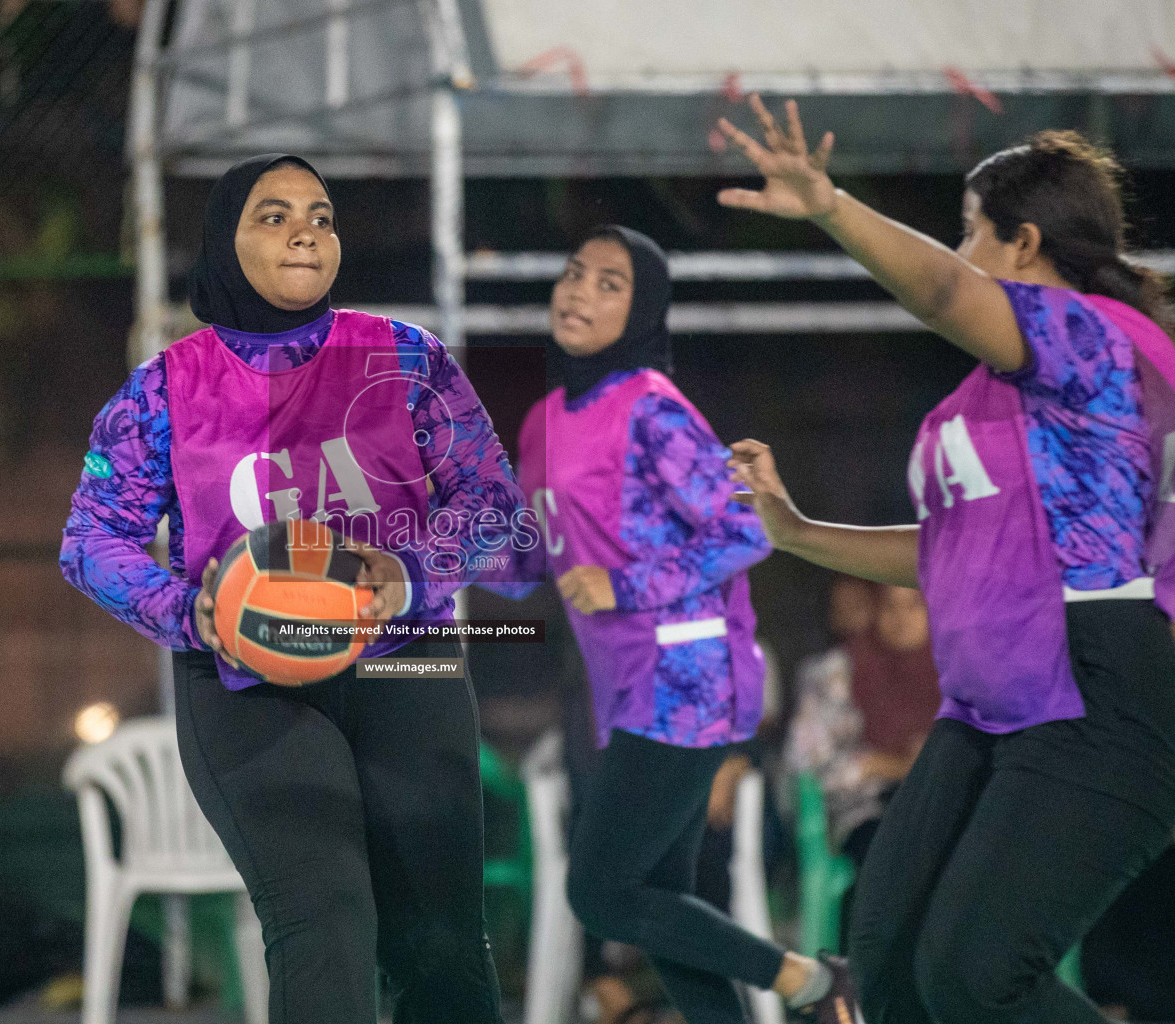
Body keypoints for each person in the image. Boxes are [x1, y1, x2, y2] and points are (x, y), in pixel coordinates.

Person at [720, 97, 1175, 1024]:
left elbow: (940, 294)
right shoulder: (999, 394)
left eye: (969, 233)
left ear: (1022, 242)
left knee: (975, 978)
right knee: (885, 975)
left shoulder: (1093, 338)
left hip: (1104, 685)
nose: (960, 255)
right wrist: (795, 531)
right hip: (995, 695)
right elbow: (949, 554)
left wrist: (828, 206)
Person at [60, 154, 525, 1024]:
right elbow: (91, 539)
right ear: (224, 244)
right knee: (325, 918)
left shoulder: (405, 359)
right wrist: (184, 609)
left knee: (442, 940)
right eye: (271, 216)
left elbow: (494, 505)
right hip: (246, 679)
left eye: (319, 213)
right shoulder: (165, 389)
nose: (305, 229)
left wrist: (410, 570)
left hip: (404, 664)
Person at [495, 225, 858, 1024]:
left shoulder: (653, 411)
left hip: (690, 677)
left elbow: (747, 530)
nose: (579, 292)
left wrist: (624, 583)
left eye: (610, 283)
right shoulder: (543, 421)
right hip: (625, 689)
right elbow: (527, 565)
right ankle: (803, 988)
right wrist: (407, 568)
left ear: (645, 308)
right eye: (573, 272)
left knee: (601, 890)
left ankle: (807, 980)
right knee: (661, 907)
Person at [787, 581, 941, 945]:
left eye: (914, 605)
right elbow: (806, 760)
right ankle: (869, 981)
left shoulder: (956, 670)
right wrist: (891, 766)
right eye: (890, 606)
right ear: (874, 610)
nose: (902, 618)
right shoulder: (836, 671)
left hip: (941, 804)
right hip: (866, 809)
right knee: (893, 854)